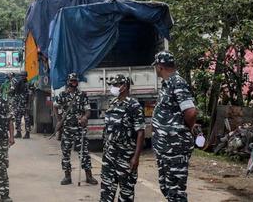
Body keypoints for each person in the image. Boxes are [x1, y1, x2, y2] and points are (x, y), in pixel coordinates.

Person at [151, 51, 198, 202]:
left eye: (156, 67)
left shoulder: (177, 82)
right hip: (165, 147)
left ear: (160, 66)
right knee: (167, 188)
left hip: (175, 147)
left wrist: (185, 128)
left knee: (176, 192)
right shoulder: (167, 84)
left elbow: (190, 112)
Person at [100, 74, 145, 202]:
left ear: (124, 87)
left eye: (115, 85)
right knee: (105, 194)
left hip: (126, 157)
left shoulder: (134, 105)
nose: (112, 88)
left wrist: (136, 158)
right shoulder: (112, 103)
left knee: (126, 194)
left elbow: (140, 132)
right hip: (109, 156)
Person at [53, 73, 98, 185]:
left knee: (84, 152)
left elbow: (88, 110)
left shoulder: (82, 95)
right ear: (68, 82)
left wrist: (85, 117)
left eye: (75, 81)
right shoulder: (63, 95)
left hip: (79, 128)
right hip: (67, 128)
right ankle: (67, 176)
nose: (74, 82)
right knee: (66, 153)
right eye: (72, 81)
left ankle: (89, 176)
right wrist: (59, 120)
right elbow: (55, 106)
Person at [12, 71, 31, 139]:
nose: (22, 77)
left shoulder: (27, 84)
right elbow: (15, 93)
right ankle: (18, 132)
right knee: (17, 118)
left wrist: (28, 105)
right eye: (21, 76)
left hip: (25, 105)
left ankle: (27, 133)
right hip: (18, 105)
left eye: (23, 76)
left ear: (26, 76)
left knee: (27, 119)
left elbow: (30, 95)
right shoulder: (18, 84)